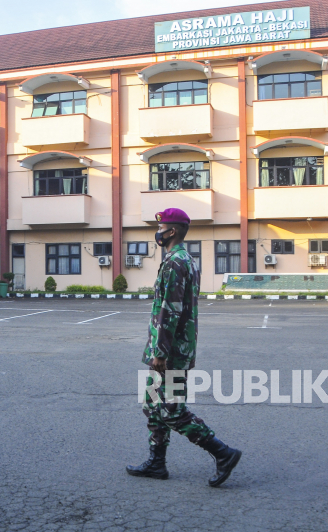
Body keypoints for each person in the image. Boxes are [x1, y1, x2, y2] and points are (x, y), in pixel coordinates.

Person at [126, 207, 242, 487]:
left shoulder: (176, 262)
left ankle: (223, 453)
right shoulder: (184, 260)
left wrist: (160, 353)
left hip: (170, 354)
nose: (158, 232)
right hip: (166, 348)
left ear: (172, 231)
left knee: (172, 410)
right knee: (152, 404)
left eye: (161, 227)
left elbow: (171, 309)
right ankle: (157, 463)